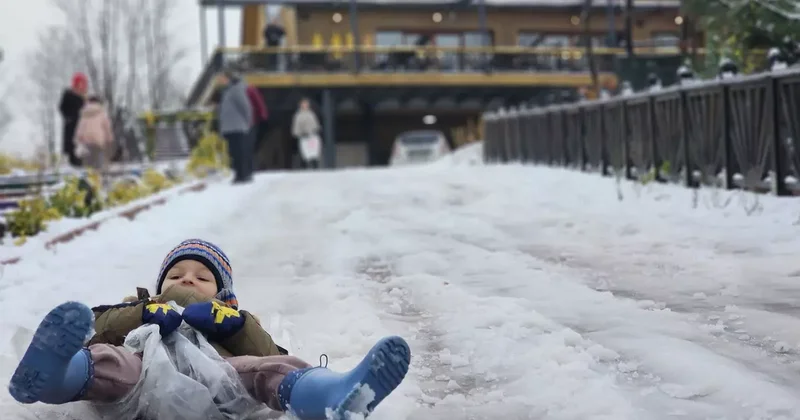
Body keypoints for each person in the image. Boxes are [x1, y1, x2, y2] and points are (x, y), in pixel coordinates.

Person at [8, 239, 411, 420]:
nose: (187, 279)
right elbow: (99, 326)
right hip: (140, 375)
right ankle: (55, 378)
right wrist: (142, 313)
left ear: (223, 294)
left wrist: (236, 325)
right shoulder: (140, 307)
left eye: (202, 277)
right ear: (159, 285)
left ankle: (330, 396)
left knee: (268, 370)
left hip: (220, 378)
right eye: (177, 274)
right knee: (108, 360)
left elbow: (268, 351)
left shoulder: (232, 317)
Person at [217, 71, 254, 183]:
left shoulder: (235, 90)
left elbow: (245, 107)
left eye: (222, 78)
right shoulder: (227, 90)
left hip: (237, 127)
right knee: (233, 153)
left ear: (228, 78)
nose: (219, 80)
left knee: (239, 152)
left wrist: (247, 122)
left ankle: (243, 175)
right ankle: (239, 174)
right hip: (229, 127)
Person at [74, 96, 113, 179]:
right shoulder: (102, 113)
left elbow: (80, 129)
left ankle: (89, 181)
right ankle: (98, 180)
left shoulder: (85, 114)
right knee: (98, 165)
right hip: (98, 142)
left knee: (88, 166)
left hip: (87, 143)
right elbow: (107, 127)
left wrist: (77, 140)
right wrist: (109, 139)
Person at [58, 72, 88, 167]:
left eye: (83, 83)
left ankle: (81, 165)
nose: (81, 86)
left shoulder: (84, 97)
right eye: (80, 83)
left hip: (82, 127)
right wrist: (69, 117)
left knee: (81, 150)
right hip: (71, 126)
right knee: (72, 149)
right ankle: (72, 165)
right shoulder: (68, 95)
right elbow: (62, 108)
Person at [291, 98, 322, 170]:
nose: (305, 105)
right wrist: (300, 133)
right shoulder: (298, 116)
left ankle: (315, 167)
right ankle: (306, 167)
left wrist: (316, 130)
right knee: (306, 153)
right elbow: (296, 128)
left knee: (314, 152)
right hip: (304, 137)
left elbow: (316, 124)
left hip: (312, 136)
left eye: (306, 104)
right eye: (303, 104)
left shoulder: (311, 114)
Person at [246, 84, 269, 166]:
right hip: (248, 122)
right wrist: (263, 115)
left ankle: (249, 164)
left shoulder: (250, 90)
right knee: (248, 145)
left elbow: (259, 102)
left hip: (250, 122)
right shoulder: (250, 89)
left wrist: (263, 114)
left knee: (249, 144)